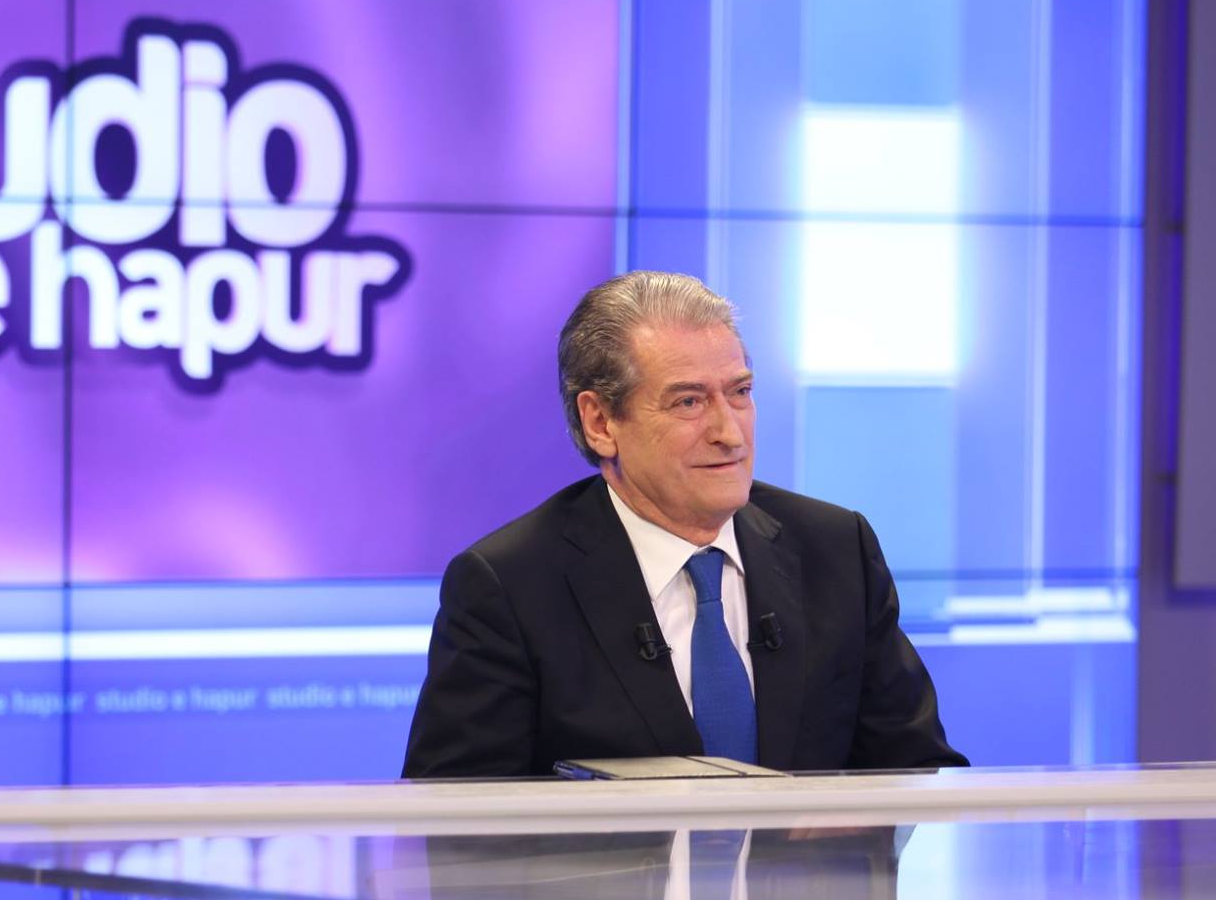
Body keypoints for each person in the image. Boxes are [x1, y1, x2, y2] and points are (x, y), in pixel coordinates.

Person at [403, 270, 964, 779]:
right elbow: (456, 822)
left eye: (740, 393)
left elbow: (919, 771)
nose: (730, 433)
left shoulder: (836, 551)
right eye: (689, 402)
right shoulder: (510, 586)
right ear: (600, 423)